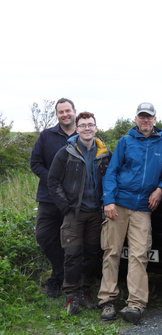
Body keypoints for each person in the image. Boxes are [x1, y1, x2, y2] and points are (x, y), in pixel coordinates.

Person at [98, 102, 162, 325]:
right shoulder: (125, 142)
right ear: (136, 119)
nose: (145, 120)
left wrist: (160, 189)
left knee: (139, 255)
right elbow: (111, 173)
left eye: (149, 117)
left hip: (143, 209)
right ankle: (107, 300)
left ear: (155, 119)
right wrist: (109, 201)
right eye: (142, 116)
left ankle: (135, 304)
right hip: (119, 205)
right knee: (112, 251)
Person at [48, 112, 112, 315]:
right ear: (77, 129)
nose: (87, 128)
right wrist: (65, 207)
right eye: (83, 125)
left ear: (95, 128)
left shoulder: (104, 153)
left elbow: (110, 179)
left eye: (90, 125)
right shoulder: (66, 153)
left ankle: (85, 291)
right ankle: (71, 295)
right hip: (74, 212)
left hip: (96, 213)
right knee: (72, 254)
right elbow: (53, 181)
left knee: (91, 254)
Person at [30, 98, 77, 298]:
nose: (65, 114)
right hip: (48, 198)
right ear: (57, 114)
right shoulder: (46, 136)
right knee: (44, 236)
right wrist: (53, 180)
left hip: (72, 200)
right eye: (61, 112)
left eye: (68, 111)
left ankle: (60, 281)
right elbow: (35, 163)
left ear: (74, 111)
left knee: (71, 241)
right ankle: (61, 273)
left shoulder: (83, 135)